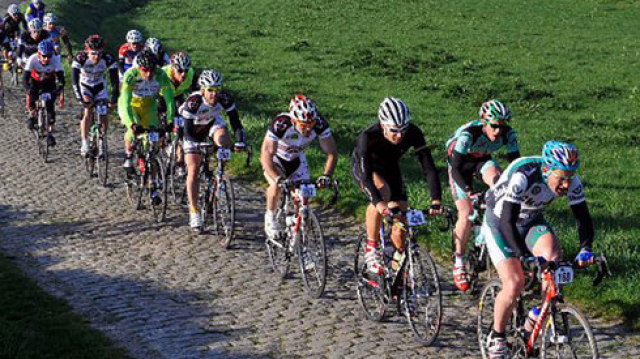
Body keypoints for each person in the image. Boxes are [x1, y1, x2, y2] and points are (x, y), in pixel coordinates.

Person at [482, 141, 595, 359]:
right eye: (560, 178)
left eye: (570, 177)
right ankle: (496, 336)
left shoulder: (572, 181)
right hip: (500, 222)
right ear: (546, 170)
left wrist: (585, 249)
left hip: (531, 219)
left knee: (554, 259)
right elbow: (507, 220)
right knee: (515, 282)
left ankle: (539, 315)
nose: (565, 184)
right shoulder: (523, 174)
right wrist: (525, 257)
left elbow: (583, 217)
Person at [352, 96, 442, 275]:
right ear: (383, 124)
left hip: (390, 167)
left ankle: (396, 273)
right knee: (383, 193)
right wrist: (380, 205)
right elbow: (366, 177)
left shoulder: (414, 133)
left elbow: (429, 168)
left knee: (401, 217)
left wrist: (436, 199)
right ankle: (372, 247)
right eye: (394, 130)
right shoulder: (367, 137)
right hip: (366, 170)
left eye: (403, 130)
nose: (399, 135)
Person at [446, 99, 520, 291]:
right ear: (484, 122)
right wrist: (468, 192)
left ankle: (485, 237)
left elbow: (516, 166)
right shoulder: (468, 136)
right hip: (459, 165)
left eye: (502, 127)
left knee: (497, 181)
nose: (498, 131)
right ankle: (459, 262)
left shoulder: (509, 135)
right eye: (494, 126)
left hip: (482, 161)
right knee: (465, 211)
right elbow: (455, 168)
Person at [261, 94, 338, 238]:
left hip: (297, 160)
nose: (308, 129)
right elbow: (266, 154)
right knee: (276, 186)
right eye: (303, 125)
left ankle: (301, 239)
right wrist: (277, 178)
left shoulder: (320, 124)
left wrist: (326, 175)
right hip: (277, 160)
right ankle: (270, 218)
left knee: (303, 199)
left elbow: (332, 152)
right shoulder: (281, 124)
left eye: (311, 124)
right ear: (294, 120)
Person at [178, 70, 244, 229]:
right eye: (210, 90)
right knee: (193, 169)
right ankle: (194, 211)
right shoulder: (194, 102)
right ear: (203, 90)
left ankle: (220, 174)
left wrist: (240, 141)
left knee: (224, 139)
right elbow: (187, 131)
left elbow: (236, 122)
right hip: (191, 128)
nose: (214, 94)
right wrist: (198, 145)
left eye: (217, 90)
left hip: (211, 123)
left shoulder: (225, 99)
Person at [118, 50, 174, 204]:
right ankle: (129, 156)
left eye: (151, 70)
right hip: (131, 106)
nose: (149, 74)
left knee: (154, 144)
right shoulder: (131, 76)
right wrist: (132, 124)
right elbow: (125, 101)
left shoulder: (161, 75)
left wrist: (170, 120)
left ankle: (153, 184)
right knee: (134, 131)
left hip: (149, 106)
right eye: (145, 70)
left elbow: (169, 99)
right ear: (139, 68)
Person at [72, 35, 119, 156]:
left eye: (99, 53)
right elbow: (74, 80)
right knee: (87, 111)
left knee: (103, 112)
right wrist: (79, 97)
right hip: (85, 87)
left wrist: (114, 97)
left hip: (99, 87)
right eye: (93, 53)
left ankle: (102, 140)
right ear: (87, 51)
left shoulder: (108, 58)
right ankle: (85, 142)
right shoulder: (80, 58)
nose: (96, 57)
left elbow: (115, 82)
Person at [23, 39, 64, 146]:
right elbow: (25, 78)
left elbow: (61, 79)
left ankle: (50, 133)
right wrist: (27, 88)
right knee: (32, 96)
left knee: (50, 107)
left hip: (49, 83)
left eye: (49, 56)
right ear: (39, 54)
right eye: (44, 56)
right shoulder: (33, 59)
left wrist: (59, 88)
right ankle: (32, 115)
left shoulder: (55, 60)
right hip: (35, 82)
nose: (46, 59)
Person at [162, 51, 197, 177]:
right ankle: (160, 144)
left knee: (181, 128)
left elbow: (197, 93)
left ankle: (180, 161)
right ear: (172, 68)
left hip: (177, 97)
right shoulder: (163, 73)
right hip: (161, 97)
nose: (183, 74)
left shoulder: (191, 74)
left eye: (186, 71)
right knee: (160, 123)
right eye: (180, 70)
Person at [3, 4, 27, 70]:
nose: (16, 16)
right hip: (7, 32)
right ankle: (7, 60)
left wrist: (27, 32)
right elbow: (2, 27)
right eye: (14, 14)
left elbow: (26, 26)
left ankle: (19, 60)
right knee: (6, 48)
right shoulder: (6, 18)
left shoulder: (21, 16)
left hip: (16, 30)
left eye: (17, 14)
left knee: (20, 42)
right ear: (10, 14)